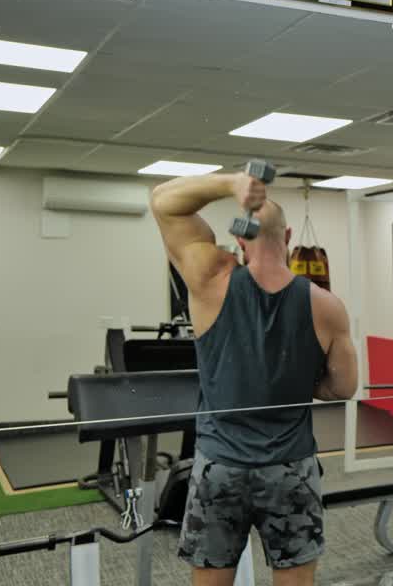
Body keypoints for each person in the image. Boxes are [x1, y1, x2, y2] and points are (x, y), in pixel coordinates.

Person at [150, 168, 358, 586]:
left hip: (219, 466)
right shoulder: (327, 305)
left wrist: (229, 184)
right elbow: (343, 388)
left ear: (241, 240)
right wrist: (299, 381)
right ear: (288, 237)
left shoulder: (209, 279)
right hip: (290, 468)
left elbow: (162, 200)